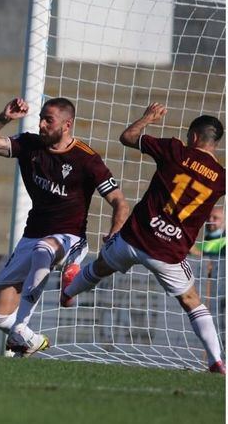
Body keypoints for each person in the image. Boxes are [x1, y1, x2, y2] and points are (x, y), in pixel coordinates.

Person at [61, 103, 226, 374]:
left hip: (135, 237)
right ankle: (216, 361)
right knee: (192, 302)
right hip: (169, 254)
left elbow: (127, 137)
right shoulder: (220, 178)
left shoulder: (175, 150)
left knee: (101, 265)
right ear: (215, 143)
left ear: (194, 137)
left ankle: (68, 293)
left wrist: (148, 118)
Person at [0, 97, 129, 356]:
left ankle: (25, 322)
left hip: (70, 237)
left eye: (49, 120)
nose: (42, 124)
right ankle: (29, 337)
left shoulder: (87, 159)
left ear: (67, 125)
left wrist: (114, 233)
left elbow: (120, 202)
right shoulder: (29, 144)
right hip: (32, 234)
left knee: (44, 249)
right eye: (41, 118)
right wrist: (4, 118)